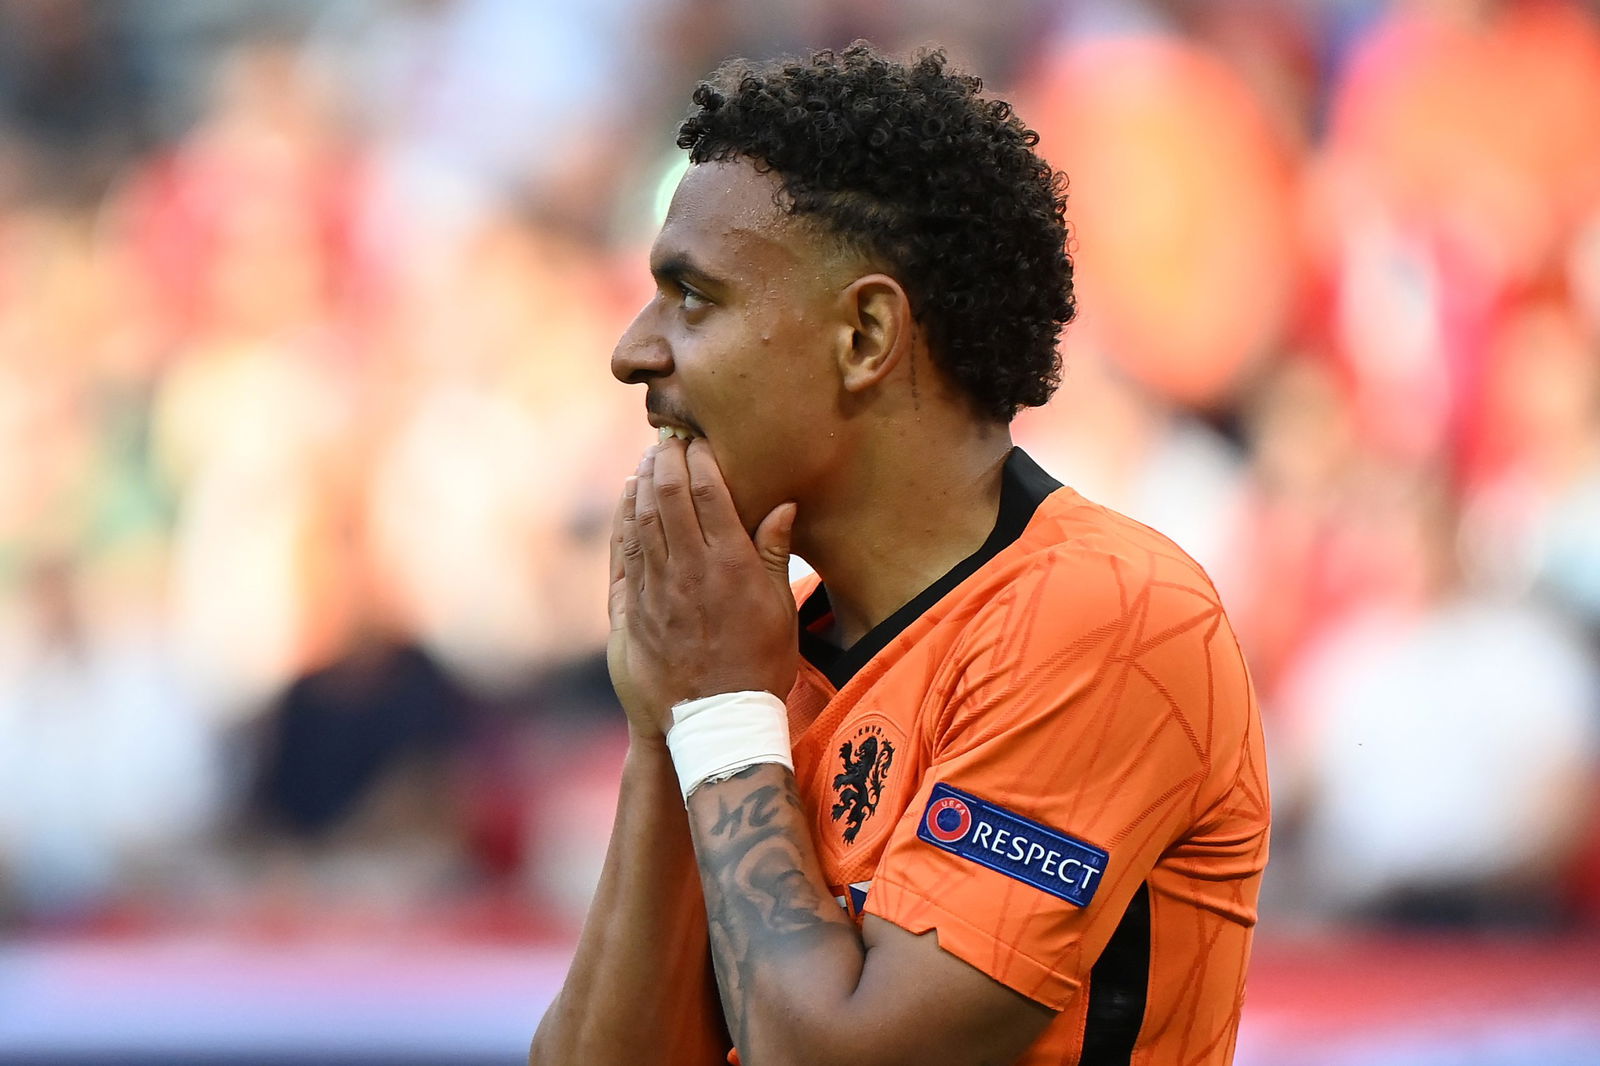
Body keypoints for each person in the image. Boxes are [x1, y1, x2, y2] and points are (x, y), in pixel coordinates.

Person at [530, 43, 1268, 1066]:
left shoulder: (1111, 614)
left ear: (866, 333)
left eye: (692, 296)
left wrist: (714, 714)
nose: (632, 351)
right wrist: (667, 726)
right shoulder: (749, 654)